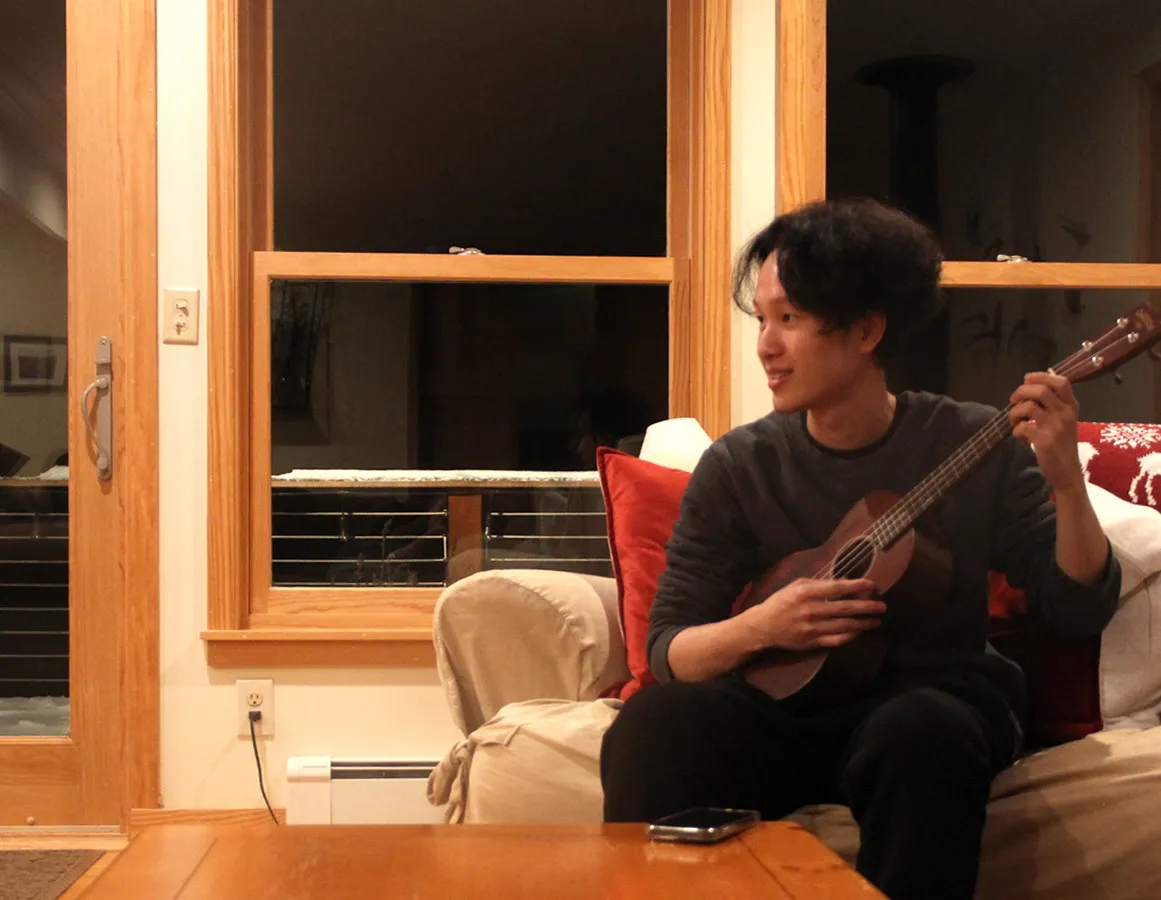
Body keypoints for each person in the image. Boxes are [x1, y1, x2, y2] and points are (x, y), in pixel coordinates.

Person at [599, 198, 1121, 900]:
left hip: (929, 706)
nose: (765, 345)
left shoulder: (971, 441)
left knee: (923, 731)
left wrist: (1065, 484)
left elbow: (1076, 605)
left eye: (790, 319)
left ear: (867, 329)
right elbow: (669, 647)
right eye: (761, 318)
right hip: (784, 713)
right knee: (655, 722)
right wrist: (764, 626)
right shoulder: (740, 465)